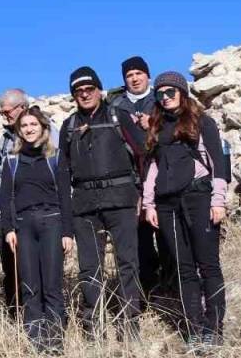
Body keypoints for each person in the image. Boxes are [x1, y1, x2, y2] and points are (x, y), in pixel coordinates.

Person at [141, 72, 229, 349]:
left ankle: (213, 328)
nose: (165, 98)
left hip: (198, 198)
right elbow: (153, 168)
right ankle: (194, 328)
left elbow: (218, 163)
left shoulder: (202, 122)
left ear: (182, 92)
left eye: (170, 92)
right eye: (160, 94)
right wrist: (149, 204)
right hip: (167, 204)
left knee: (208, 265)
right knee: (183, 268)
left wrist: (218, 200)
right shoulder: (156, 127)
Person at [59, 66, 147, 339]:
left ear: (99, 90)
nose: (84, 95)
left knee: (127, 263)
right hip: (84, 204)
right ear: (74, 95)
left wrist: (145, 195)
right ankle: (92, 327)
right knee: (89, 267)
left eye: (89, 89)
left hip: (121, 199)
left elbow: (142, 154)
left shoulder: (119, 116)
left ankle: (128, 324)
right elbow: (63, 173)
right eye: (78, 91)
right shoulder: (69, 126)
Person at [0, 107, 74, 354]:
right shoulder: (11, 160)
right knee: (30, 285)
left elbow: (65, 194)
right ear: (19, 131)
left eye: (33, 124)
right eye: (24, 126)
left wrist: (67, 231)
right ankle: (36, 342)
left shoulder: (55, 157)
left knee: (52, 284)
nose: (29, 129)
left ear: (43, 127)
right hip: (23, 225)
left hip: (52, 221)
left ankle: (55, 343)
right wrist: (8, 228)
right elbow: (6, 197)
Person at [107, 56, 170, 301]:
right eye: (129, 75)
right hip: (130, 181)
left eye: (138, 74)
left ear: (147, 75)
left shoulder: (162, 98)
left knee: (165, 236)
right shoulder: (115, 105)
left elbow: (178, 126)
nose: (134, 79)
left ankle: (170, 287)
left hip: (162, 176)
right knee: (139, 241)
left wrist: (153, 124)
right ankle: (147, 292)